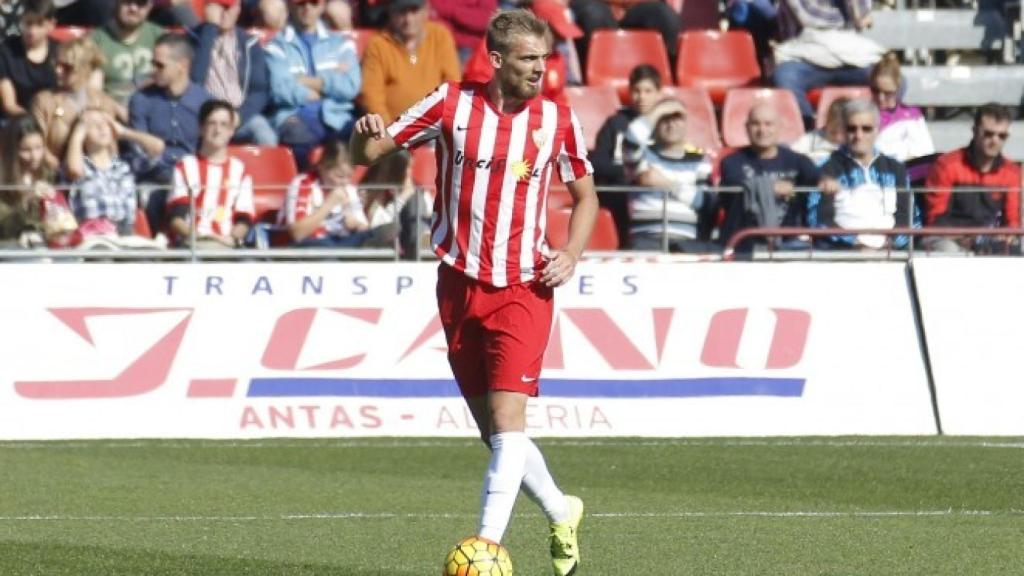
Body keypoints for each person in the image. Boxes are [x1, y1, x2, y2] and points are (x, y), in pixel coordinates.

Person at [349, 10, 595, 576]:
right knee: (496, 435)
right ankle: (562, 511)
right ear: (498, 59)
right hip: (458, 285)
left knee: (510, 423)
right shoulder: (451, 105)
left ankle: (485, 549)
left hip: (525, 286)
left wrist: (571, 254)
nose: (540, 68)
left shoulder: (557, 120)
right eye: (530, 58)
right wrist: (361, 136)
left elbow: (587, 198)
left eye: (544, 58)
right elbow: (370, 156)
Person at [128, 32, 212, 230]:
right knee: (150, 194)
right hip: (155, 176)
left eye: (160, 65)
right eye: (153, 64)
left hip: (194, 178)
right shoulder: (141, 100)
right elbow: (139, 151)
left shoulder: (204, 102)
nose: (153, 70)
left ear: (182, 65)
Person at [265, 0, 361, 169]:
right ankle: (309, 188)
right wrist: (326, 85)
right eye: (300, 3)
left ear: (323, 6)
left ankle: (352, 192)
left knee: (367, 135)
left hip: (336, 117)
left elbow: (351, 86)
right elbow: (279, 89)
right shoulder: (276, 45)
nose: (307, 7)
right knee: (297, 137)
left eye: (314, 2)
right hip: (295, 117)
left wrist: (309, 81)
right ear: (290, 5)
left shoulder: (341, 43)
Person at [811, 98, 916, 249]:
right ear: (844, 131)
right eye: (851, 129)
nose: (858, 135)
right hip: (842, 254)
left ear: (877, 130)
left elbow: (911, 218)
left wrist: (891, 244)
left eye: (866, 128)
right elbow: (817, 220)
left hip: (891, 253)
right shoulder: (826, 169)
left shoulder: (895, 169)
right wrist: (855, 244)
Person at [719, 102, 820, 250]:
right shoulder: (731, 162)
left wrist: (827, 180)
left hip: (790, 243)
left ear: (780, 127)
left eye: (768, 124)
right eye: (756, 124)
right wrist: (771, 186)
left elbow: (820, 179)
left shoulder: (799, 161)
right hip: (743, 244)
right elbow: (735, 183)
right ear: (747, 128)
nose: (762, 130)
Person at [923, 103, 1020, 254]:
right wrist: (966, 237)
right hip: (946, 237)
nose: (995, 141)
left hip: (987, 238)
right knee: (948, 250)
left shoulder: (1011, 173)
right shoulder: (947, 165)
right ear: (974, 132)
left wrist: (1006, 235)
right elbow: (935, 219)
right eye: (988, 134)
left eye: (1002, 136)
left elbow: (1012, 220)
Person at [772, 0, 883, 128]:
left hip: (849, 57)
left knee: (894, 80)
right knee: (784, 77)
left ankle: (875, 128)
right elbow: (809, 19)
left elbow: (863, 19)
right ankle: (808, 128)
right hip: (807, 54)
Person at [628, 97, 716, 253]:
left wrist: (666, 184)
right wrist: (656, 111)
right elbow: (631, 139)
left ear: (686, 122)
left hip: (686, 241)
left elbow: (701, 201)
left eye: (677, 118)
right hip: (645, 239)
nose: (671, 124)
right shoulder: (644, 156)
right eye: (664, 119)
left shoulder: (700, 161)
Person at [166, 99, 255, 248]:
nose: (217, 130)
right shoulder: (186, 166)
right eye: (212, 123)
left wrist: (231, 239)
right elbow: (176, 218)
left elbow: (243, 218)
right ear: (201, 128)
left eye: (224, 124)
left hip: (226, 244)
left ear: (231, 131)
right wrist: (200, 238)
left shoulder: (240, 170)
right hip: (193, 243)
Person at [591, 63, 662, 244]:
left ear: (659, 93)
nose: (641, 97)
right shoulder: (615, 123)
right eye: (637, 91)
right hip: (620, 194)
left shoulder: (665, 126)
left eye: (648, 91)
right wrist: (630, 171)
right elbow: (597, 162)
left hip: (654, 197)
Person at [32, 37, 127, 169]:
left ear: (85, 68)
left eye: (66, 67)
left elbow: (111, 148)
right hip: (55, 175)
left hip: (96, 176)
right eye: (56, 64)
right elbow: (36, 142)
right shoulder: (44, 101)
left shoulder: (104, 101)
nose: (58, 70)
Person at [359, 0, 460, 125]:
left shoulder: (440, 36)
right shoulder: (378, 45)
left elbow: (452, 84)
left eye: (414, 11)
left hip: (436, 127)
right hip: (391, 130)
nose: (408, 19)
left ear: (426, 11)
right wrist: (390, 133)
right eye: (402, 12)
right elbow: (372, 96)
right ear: (391, 13)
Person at [189, 0, 276, 145]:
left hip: (239, 114)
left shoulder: (250, 44)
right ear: (208, 9)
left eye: (227, 8)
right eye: (218, 8)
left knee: (264, 133)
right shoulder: (192, 40)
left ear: (238, 9)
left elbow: (259, 91)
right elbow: (194, 81)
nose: (222, 14)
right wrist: (210, 29)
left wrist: (239, 116)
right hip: (202, 116)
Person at [279, 138, 370, 247]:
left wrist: (356, 225)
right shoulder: (303, 184)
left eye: (349, 176)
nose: (345, 182)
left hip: (341, 242)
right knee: (325, 245)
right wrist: (329, 204)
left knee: (373, 236)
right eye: (339, 176)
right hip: (309, 244)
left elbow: (363, 227)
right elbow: (297, 233)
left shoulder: (349, 189)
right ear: (322, 167)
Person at [89, 0, 165, 107]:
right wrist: (120, 112)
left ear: (149, 6)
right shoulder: (96, 40)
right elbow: (94, 91)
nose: (133, 8)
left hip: (154, 111)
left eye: (141, 3)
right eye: (127, 1)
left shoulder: (161, 37)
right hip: (112, 111)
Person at [359, 148, 431, 257]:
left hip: (410, 239)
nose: (410, 173)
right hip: (383, 240)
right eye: (408, 168)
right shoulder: (373, 191)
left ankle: (419, 241)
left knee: (416, 201)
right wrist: (403, 197)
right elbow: (379, 223)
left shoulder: (417, 192)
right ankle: (418, 242)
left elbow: (429, 213)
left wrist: (410, 194)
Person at [870, 53, 934, 163]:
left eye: (888, 93)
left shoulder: (910, 116)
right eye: (876, 91)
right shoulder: (860, 113)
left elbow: (924, 154)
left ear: (898, 89)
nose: (881, 98)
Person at [0, 115, 52, 246]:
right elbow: (4, 227)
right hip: (11, 246)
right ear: (13, 150)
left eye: (38, 148)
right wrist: (26, 201)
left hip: (44, 244)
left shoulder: (49, 174)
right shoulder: (3, 179)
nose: (34, 156)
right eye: (26, 150)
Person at [0, 0, 57, 119]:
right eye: (29, 23)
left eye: (39, 24)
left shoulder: (59, 52)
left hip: (53, 116)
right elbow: (9, 105)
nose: (32, 31)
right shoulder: (6, 52)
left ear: (51, 24)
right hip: (18, 119)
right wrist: (34, 119)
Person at [791, 96, 848, 166]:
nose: (838, 137)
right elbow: (794, 154)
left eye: (844, 133)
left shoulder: (853, 144)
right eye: (833, 132)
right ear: (827, 124)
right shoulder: (813, 138)